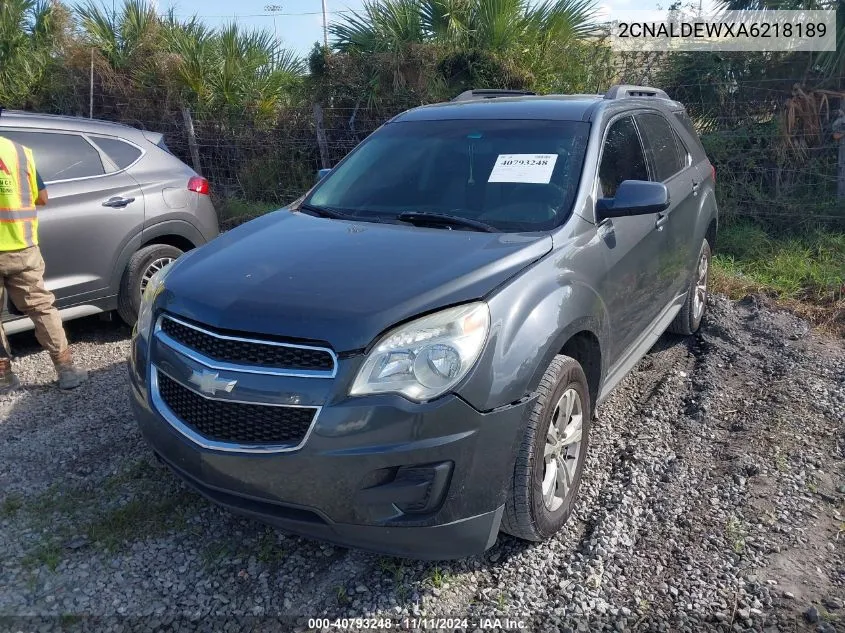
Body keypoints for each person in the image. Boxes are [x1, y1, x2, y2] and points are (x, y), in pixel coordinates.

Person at [0, 135, 88, 393]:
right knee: (41, 308)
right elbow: (43, 198)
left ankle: (3, 378)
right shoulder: (19, 152)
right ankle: (67, 371)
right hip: (21, 248)